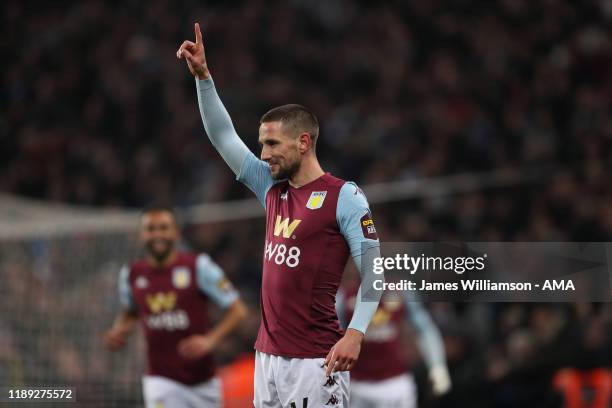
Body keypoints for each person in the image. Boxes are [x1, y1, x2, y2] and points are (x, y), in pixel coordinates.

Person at [177, 23, 383, 408]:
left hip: (315, 360)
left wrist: (355, 332)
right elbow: (223, 137)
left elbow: (374, 271)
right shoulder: (271, 188)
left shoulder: (345, 196)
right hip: (267, 357)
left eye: (272, 143)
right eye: (261, 144)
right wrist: (204, 78)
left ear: (304, 142)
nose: (264, 153)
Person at [104, 206, 248, 408]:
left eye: (163, 227)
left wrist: (210, 340)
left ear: (176, 233)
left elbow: (238, 310)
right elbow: (130, 311)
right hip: (160, 379)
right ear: (141, 235)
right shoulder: (131, 274)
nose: (157, 234)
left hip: (204, 381)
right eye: (151, 229)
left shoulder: (199, 266)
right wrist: (118, 330)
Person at [337, 283, 452, 408]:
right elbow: (331, 334)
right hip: (357, 386)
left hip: (396, 384)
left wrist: (437, 365)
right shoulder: (344, 297)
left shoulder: (402, 291)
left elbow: (424, 328)